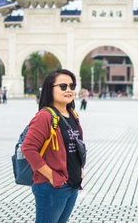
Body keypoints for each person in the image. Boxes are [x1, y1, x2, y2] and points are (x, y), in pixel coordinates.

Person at [22, 69, 84, 223]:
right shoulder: (44, 116)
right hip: (52, 188)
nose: (68, 90)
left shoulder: (72, 115)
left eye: (72, 86)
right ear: (51, 89)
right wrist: (51, 176)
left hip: (72, 185)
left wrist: (80, 169)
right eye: (63, 86)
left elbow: (75, 146)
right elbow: (28, 148)